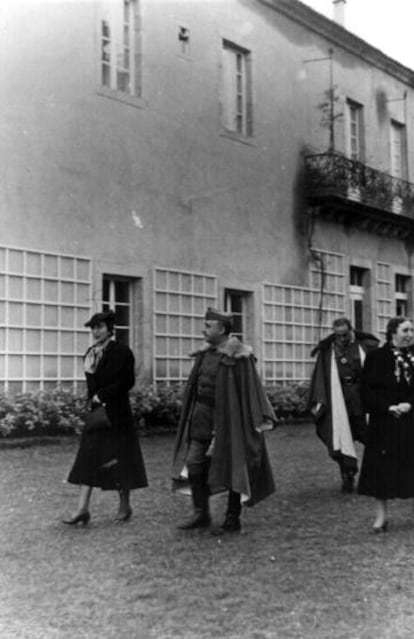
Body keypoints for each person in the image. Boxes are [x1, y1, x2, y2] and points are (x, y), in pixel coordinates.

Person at [172, 307, 276, 535]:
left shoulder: (239, 357)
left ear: (222, 329)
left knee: (233, 466)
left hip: (229, 421)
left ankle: (232, 518)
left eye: (208, 326)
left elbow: (251, 391)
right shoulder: (205, 354)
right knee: (194, 462)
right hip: (201, 418)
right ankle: (201, 513)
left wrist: (257, 420)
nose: (204, 329)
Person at [63, 310, 148, 526]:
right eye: (93, 327)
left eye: (100, 327)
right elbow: (92, 384)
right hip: (97, 415)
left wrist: (103, 395)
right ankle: (82, 509)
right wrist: (91, 401)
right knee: (87, 457)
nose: (95, 331)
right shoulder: (90, 354)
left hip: (118, 414)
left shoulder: (122, 352)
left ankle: (124, 505)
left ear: (110, 329)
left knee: (120, 459)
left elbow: (127, 381)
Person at [308, 317, 379, 493]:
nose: (341, 338)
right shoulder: (328, 349)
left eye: (344, 334)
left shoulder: (367, 345)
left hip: (363, 399)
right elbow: (321, 376)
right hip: (339, 399)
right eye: (337, 335)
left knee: (372, 437)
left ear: (351, 330)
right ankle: (347, 475)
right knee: (340, 438)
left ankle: (377, 475)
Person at [358, 317, 414, 532]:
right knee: (381, 470)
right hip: (385, 423)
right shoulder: (376, 358)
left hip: (411, 419)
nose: (410, 334)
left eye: (412, 330)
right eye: (405, 330)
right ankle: (381, 517)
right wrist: (388, 407)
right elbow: (366, 391)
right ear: (393, 332)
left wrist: (409, 404)